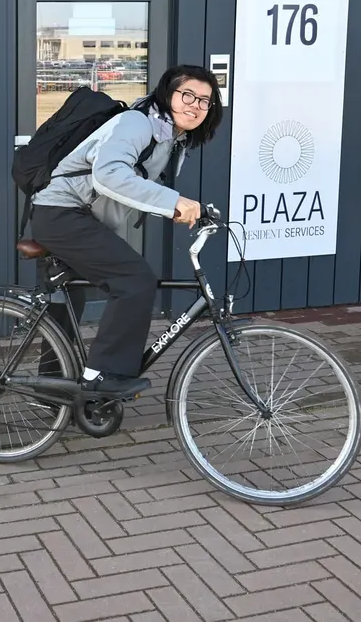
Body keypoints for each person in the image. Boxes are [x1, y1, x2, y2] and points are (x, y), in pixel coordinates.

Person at [29, 64, 224, 399]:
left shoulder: (170, 139)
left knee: (67, 300)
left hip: (77, 218)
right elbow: (109, 175)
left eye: (204, 101)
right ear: (168, 94)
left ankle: (51, 393)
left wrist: (179, 208)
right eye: (187, 95)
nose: (195, 105)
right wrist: (173, 201)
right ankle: (102, 376)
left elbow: (135, 187)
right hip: (61, 213)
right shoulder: (138, 122)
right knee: (135, 280)